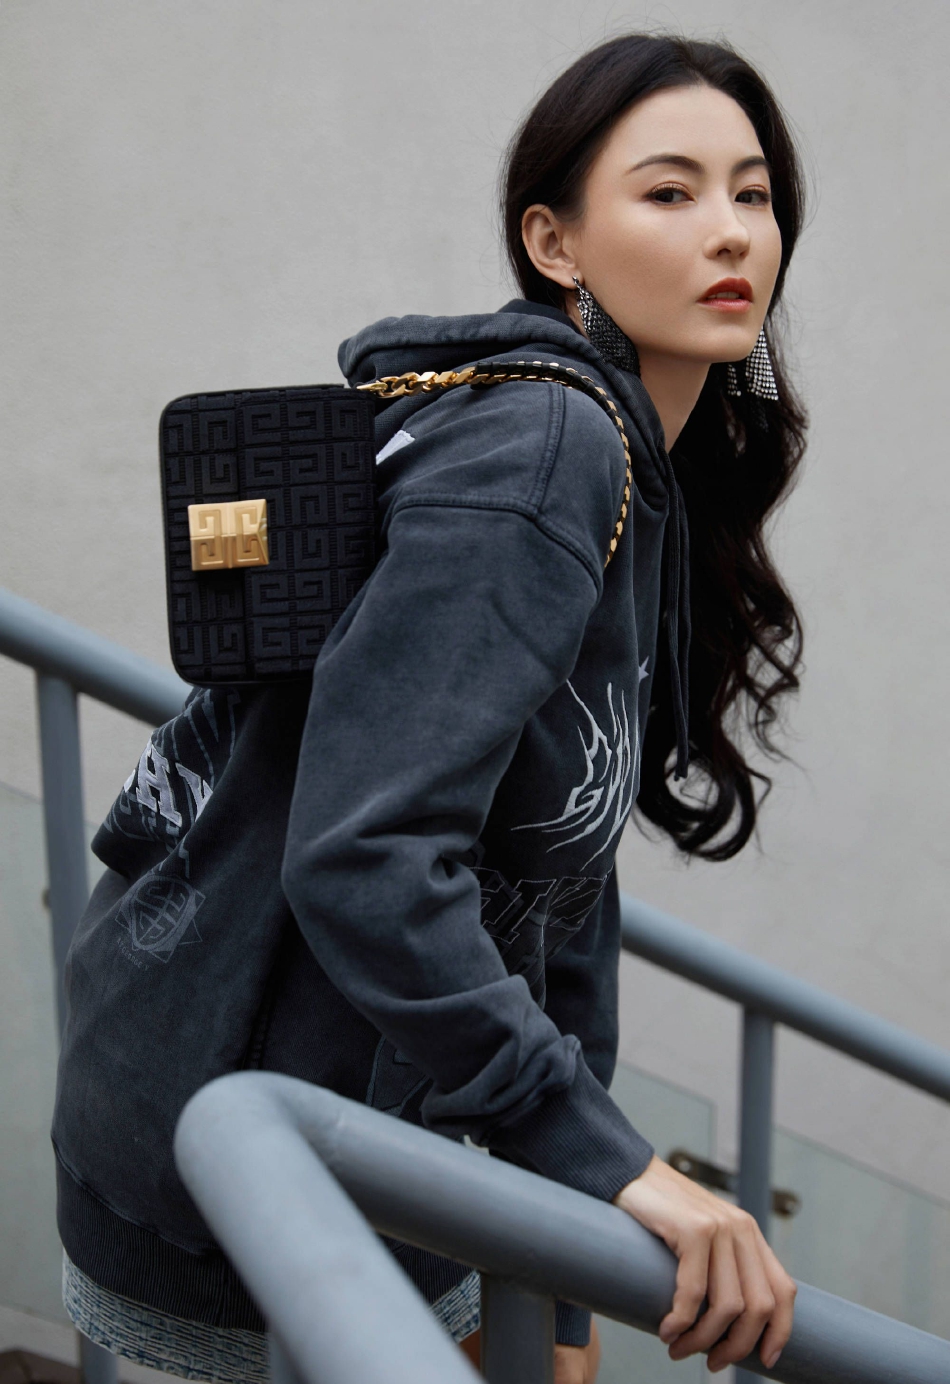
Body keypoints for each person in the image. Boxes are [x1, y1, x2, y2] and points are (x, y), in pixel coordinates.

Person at [52, 31, 806, 1384]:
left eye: (752, 193)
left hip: (382, 1111)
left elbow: (561, 889)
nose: (729, 231)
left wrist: (574, 1230)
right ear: (554, 243)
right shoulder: (547, 449)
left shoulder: (626, 464)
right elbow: (367, 856)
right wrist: (612, 1171)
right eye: (669, 190)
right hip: (253, 1120)